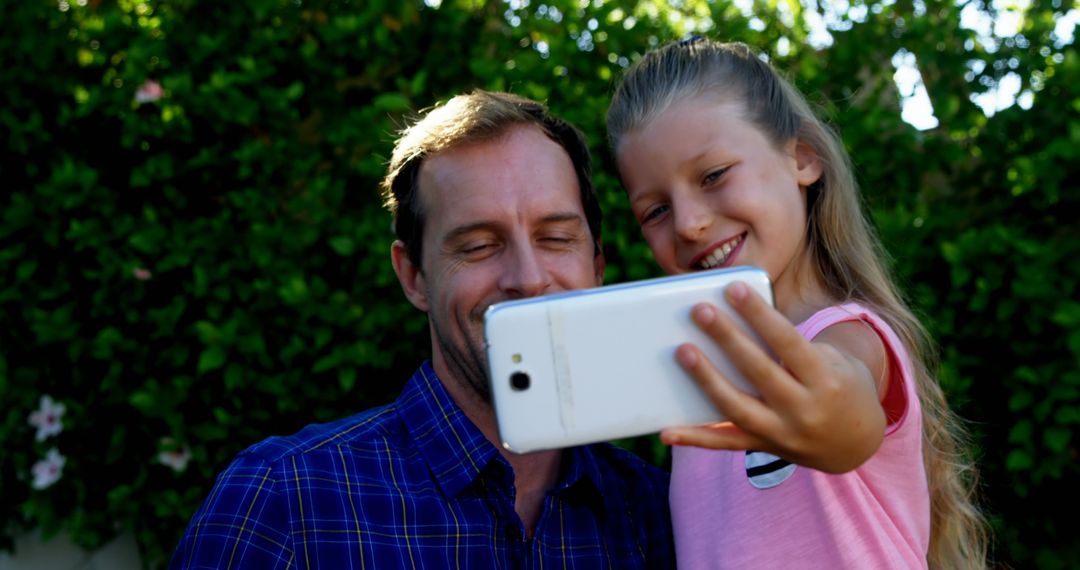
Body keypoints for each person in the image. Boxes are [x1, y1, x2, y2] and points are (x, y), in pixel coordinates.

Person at [169, 90, 674, 569]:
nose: (527, 278)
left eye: (556, 237)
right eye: (478, 246)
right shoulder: (284, 502)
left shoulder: (657, 513)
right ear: (413, 276)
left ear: (597, 267)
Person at [606, 38, 988, 569]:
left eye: (714, 175)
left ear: (802, 157)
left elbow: (846, 402)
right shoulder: (701, 378)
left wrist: (835, 423)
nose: (689, 223)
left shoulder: (848, 334)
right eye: (655, 210)